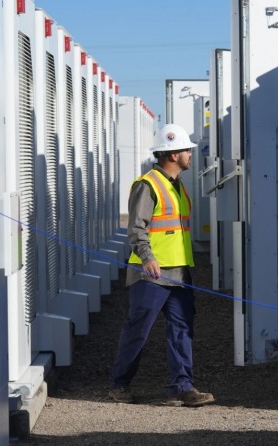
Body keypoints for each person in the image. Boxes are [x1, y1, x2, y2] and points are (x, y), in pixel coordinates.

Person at [108, 123, 215, 407]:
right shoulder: (148, 185)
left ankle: (182, 387)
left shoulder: (177, 186)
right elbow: (136, 227)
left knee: (182, 329)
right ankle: (119, 386)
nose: (190, 155)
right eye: (186, 150)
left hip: (179, 273)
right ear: (172, 155)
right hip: (151, 275)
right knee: (138, 330)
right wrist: (147, 257)